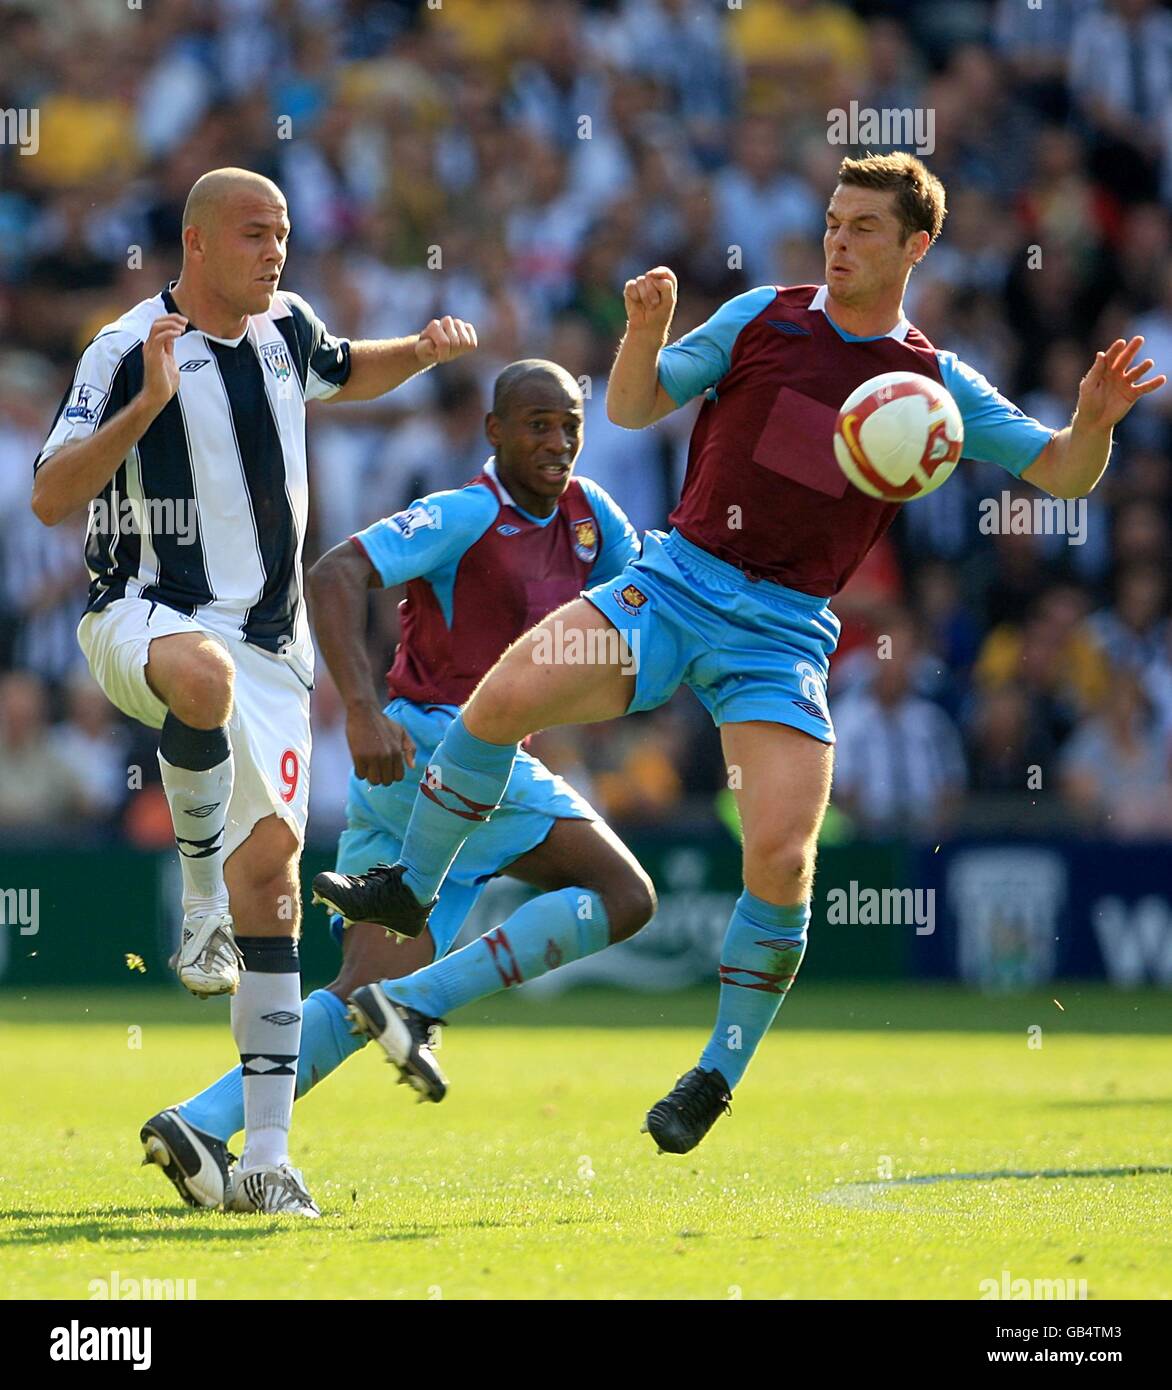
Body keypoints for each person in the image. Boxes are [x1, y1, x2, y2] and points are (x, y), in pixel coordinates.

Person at [316, 152, 1165, 1155]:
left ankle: (713, 1074)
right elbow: (632, 407)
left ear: (914, 247)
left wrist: (1094, 424)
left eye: (860, 228)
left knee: (781, 853)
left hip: (782, 634)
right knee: (502, 697)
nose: (837, 241)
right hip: (671, 584)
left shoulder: (934, 385)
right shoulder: (763, 315)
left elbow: (1061, 473)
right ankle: (410, 886)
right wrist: (642, 334)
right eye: (832, 221)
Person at [31, 167, 478, 1215]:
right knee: (199, 675)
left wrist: (412, 355)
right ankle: (193, 900)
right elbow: (54, 495)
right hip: (141, 611)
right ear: (194, 243)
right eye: (252, 234)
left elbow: (339, 368)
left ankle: (266, 1158)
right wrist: (146, 402)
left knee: (274, 885)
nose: (274, 251)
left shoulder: (286, 329)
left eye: (281, 233)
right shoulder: (122, 346)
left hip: (276, 652)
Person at [141, 360, 655, 1209]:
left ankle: (200, 1121)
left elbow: (648, 598)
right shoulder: (465, 513)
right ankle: (414, 1008)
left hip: (412, 784)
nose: (557, 441)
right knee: (626, 895)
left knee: (349, 1000)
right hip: (439, 754)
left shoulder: (594, 519)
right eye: (536, 423)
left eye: (569, 424)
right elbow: (336, 573)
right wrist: (359, 710)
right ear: (492, 431)